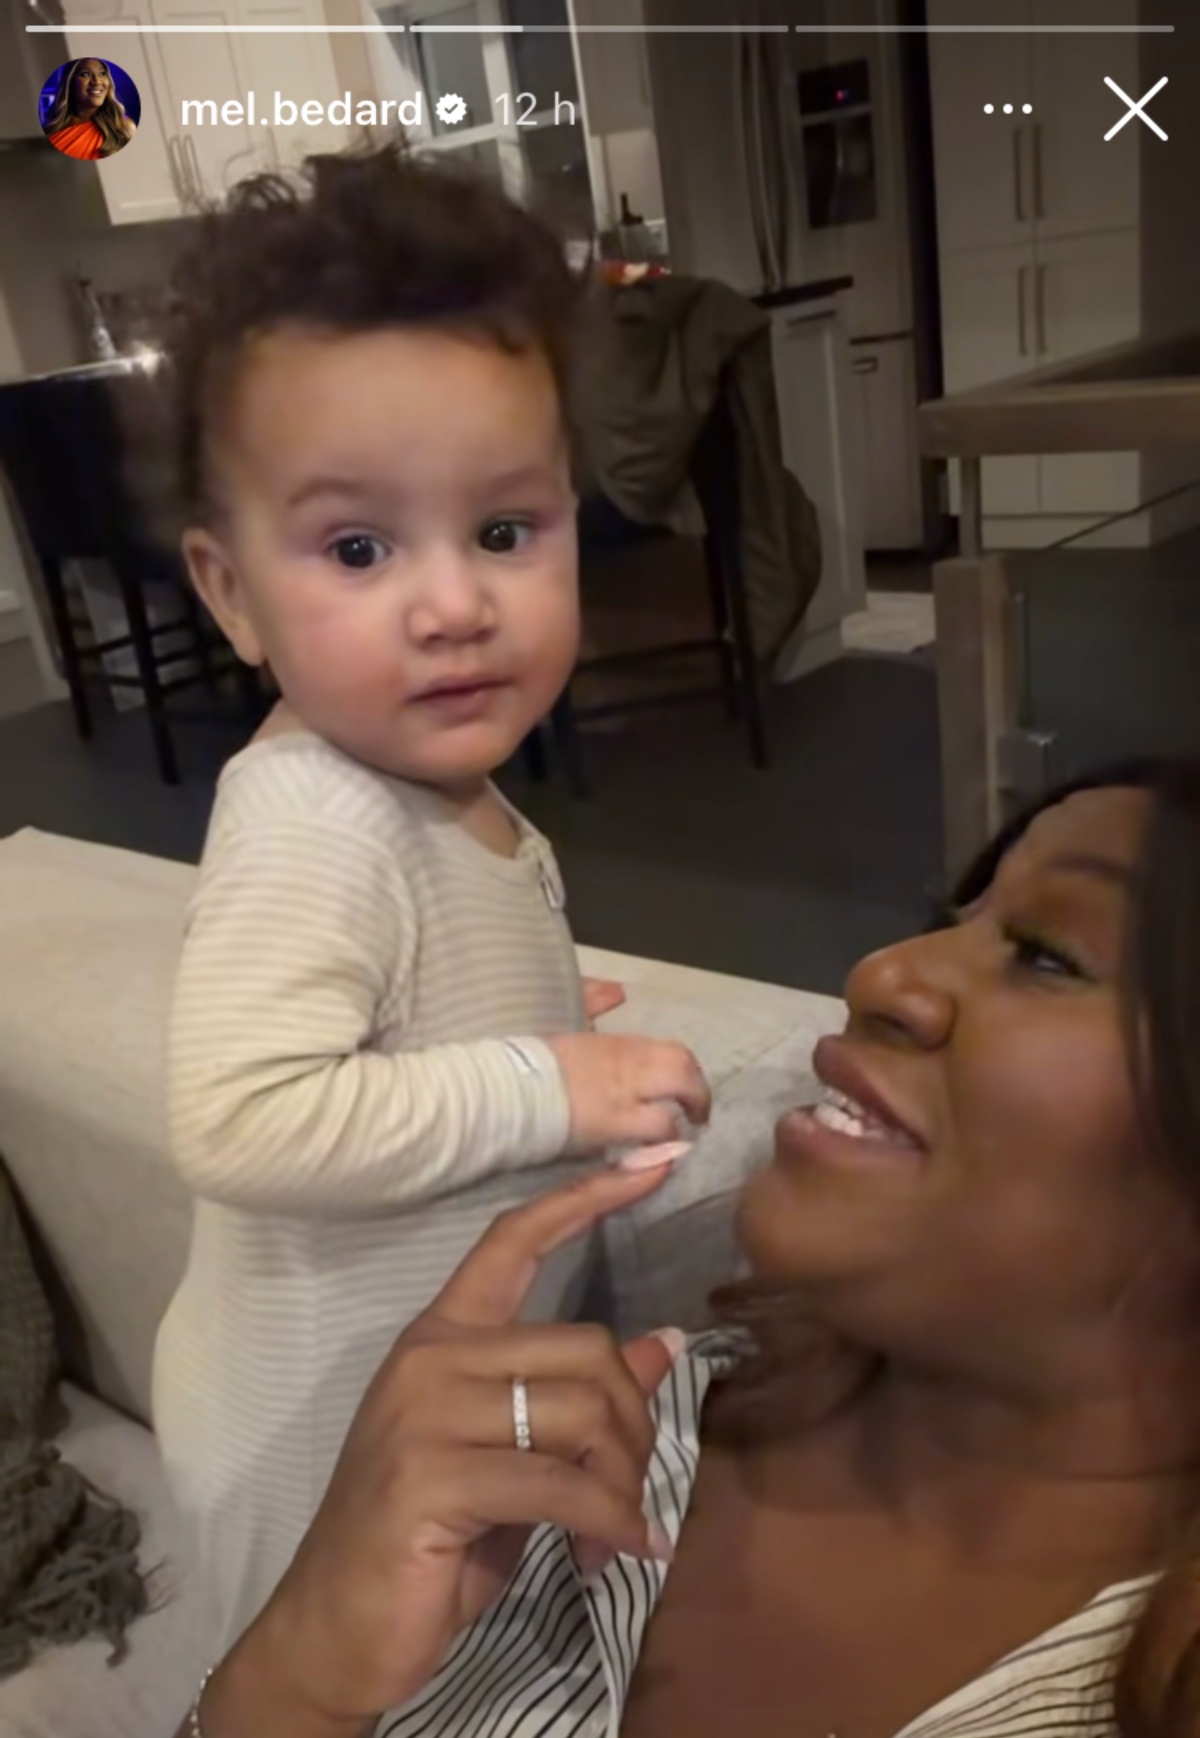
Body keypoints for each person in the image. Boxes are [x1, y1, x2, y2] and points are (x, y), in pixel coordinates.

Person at [174, 760, 1200, 1738]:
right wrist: (294, 1675)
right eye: (948, 920)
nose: (882, 973)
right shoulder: (612, 1425)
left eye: (1048, 955)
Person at [151, 143, 710, 1657]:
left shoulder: (437, 784)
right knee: (362, 1682)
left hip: (428, 1393)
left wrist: (522, 1009)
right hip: (312, 1439)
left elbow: (402, 994)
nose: (456, 603)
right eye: (357, 546)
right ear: (230, 592)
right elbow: (246, 1116)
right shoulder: (314, 811)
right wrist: (546, 1081)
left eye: (506, 531)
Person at [41, 58, 136, 161]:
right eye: (85, 74)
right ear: (70, 84)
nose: (96, 81)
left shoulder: (123, 126)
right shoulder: (51, 128)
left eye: (102, 74)